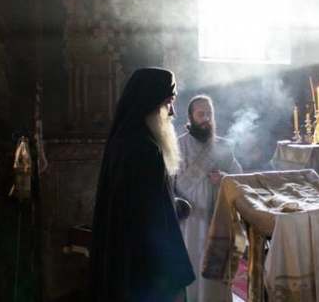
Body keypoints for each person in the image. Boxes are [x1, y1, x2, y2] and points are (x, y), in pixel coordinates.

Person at [90, 68, 194, 302]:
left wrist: (172, 203)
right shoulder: (145, 149)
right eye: (168, 103)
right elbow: (149, 216)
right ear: (151, 102)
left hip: (127, 256)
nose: (173, 111)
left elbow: (139, 200)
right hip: (144, 264)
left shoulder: (124, 140)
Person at [175, 95, 242, 302]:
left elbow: (239, 177)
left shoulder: (224, 146)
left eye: (209, 114)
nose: (206, 118)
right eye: (200, 114)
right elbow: (169, 182)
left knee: (215, 266)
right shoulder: (179, 145)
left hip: (217, 218)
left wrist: (223, 178)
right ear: (191, 117)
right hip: (190, 219)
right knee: (192, 261)